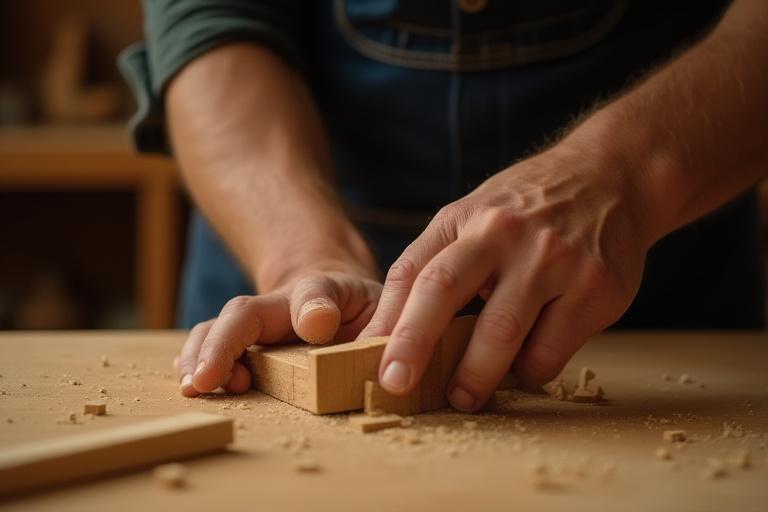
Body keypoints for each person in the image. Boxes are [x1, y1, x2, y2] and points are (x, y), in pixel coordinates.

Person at [120, 0, 768, 412]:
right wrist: (301, 258)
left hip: (662, 299)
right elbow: (210, 23)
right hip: (278, 254)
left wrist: (623, 174)